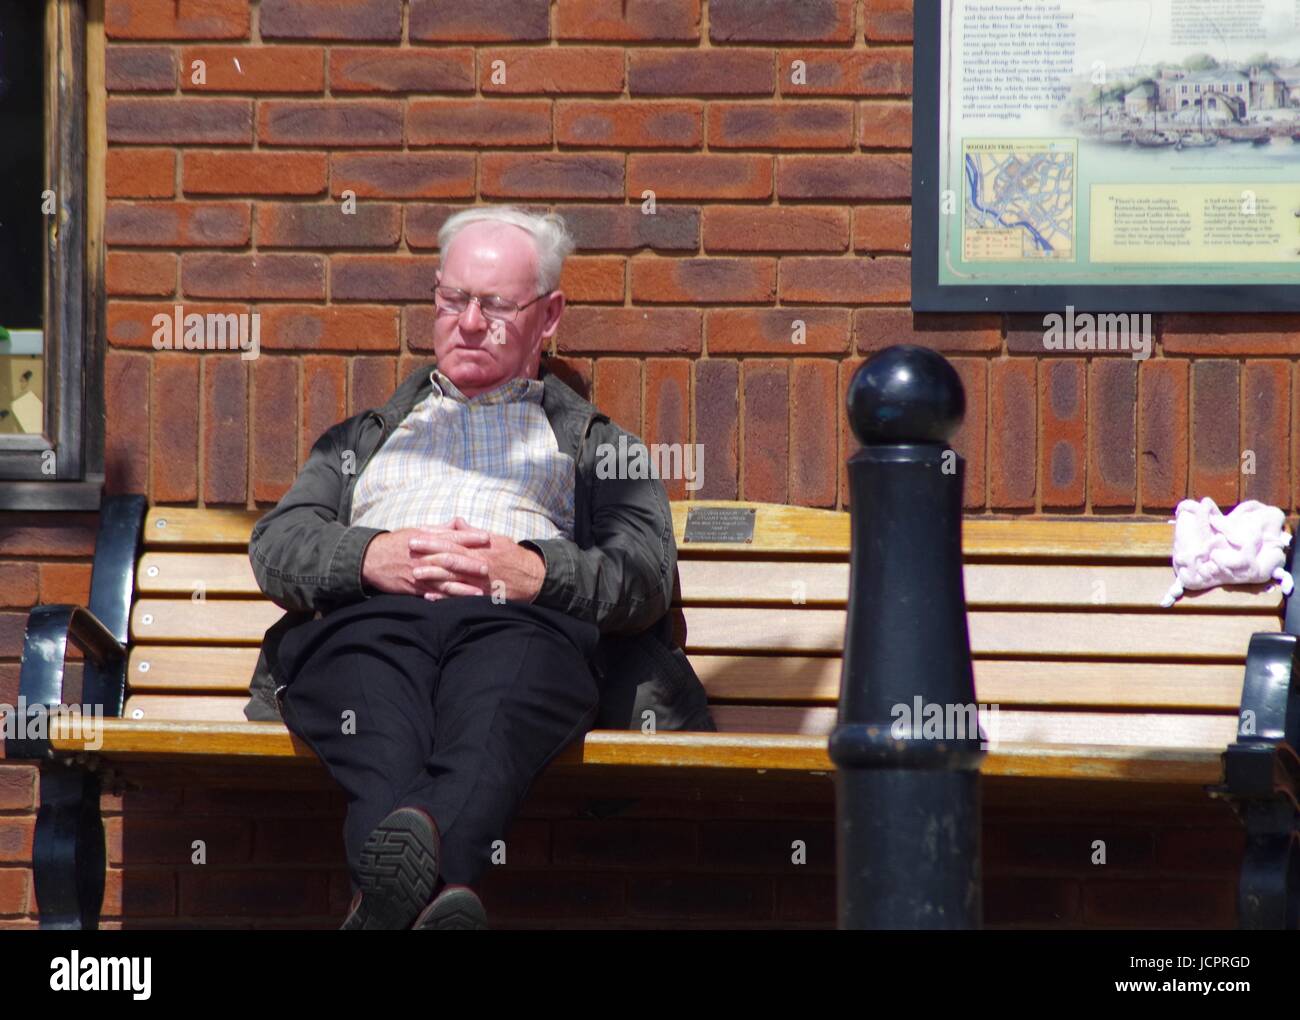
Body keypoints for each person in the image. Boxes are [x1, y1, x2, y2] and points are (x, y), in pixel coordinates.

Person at [241, 206, 714, 930]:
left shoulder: (594, 444)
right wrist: (370, 554)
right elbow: (278, 544)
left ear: (548, 316)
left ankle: (384, 905)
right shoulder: (364, 437)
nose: (468, 323)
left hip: (521, 629)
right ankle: (441, 895)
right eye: (452, 299)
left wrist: (534, 572)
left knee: (494, 705)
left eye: (494, 305)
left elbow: (643, 573)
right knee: (379, 724)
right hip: (368, 626)